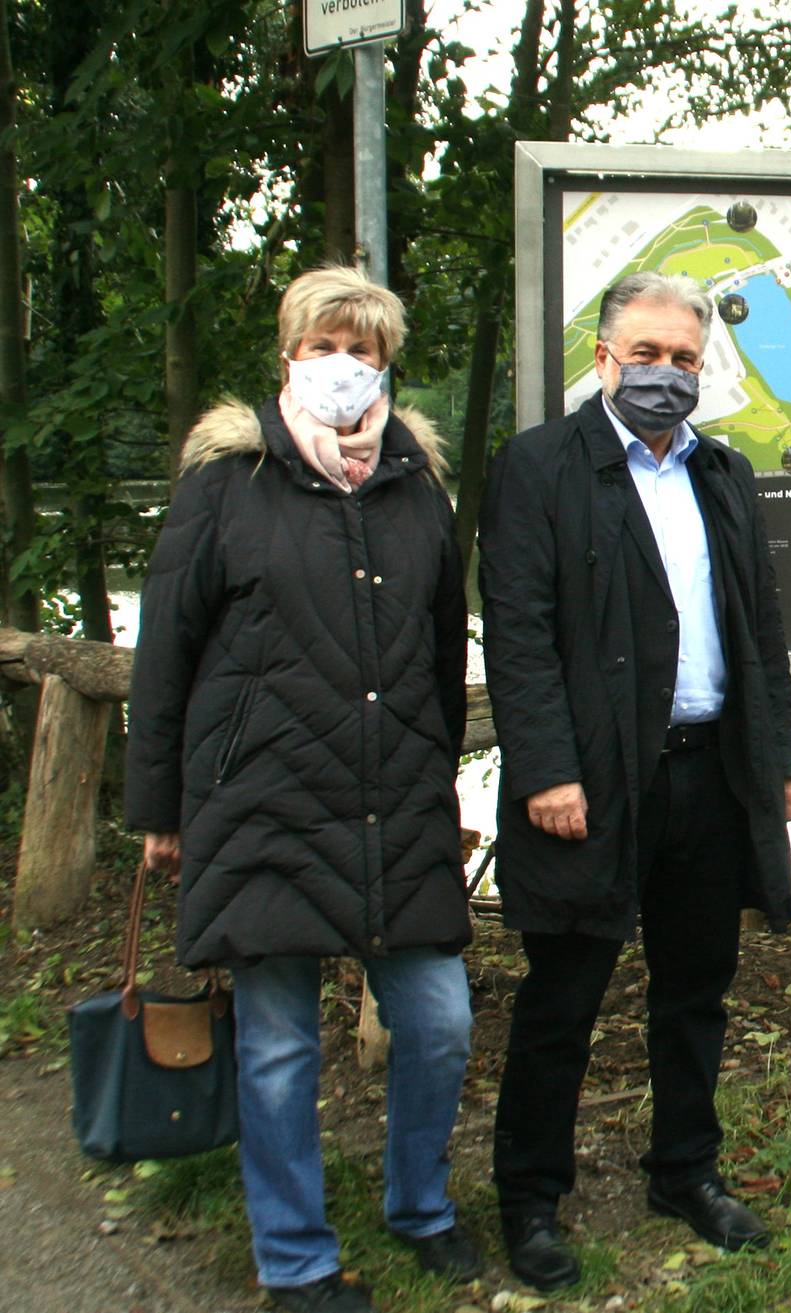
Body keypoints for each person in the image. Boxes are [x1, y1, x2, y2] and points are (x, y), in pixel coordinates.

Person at [125, 266, 476, 1313]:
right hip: (259, 801)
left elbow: (438, 639)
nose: (342, 364)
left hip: (393, 799)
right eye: (324, 343)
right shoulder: (225, 483)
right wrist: (160, 808)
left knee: (442, 1019)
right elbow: (167, 648)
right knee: (278, 1046)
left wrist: (440, 770)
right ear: (288, 356)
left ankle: (421, 1205)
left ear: (386, 364)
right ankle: (295, 1257)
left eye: (362, 348)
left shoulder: (417, 484)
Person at [479, 271, 791, 1291]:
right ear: (605, 357)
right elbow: (519, 632)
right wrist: (545, 769)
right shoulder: (539, 468)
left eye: (685, 359)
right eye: (648, 354)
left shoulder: (724, 472)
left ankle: (684, 1169)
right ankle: (531, 1198)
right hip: (589, 785)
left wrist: (776, 755)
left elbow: (761, 623)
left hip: (709, 773)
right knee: (562, 997)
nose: (666, 375)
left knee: (696, 989)